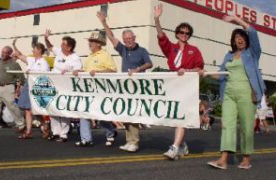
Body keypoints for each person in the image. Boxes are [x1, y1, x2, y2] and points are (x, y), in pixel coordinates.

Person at [207, 15, 265, 170]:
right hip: (229, 95)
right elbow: (221, 74)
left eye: (241, 37)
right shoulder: (229, 56)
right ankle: (223, 159)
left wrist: (236, 19)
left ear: (246, 40)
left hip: (247, 95)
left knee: (247, 127)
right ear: (232, 41)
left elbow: (253, 32)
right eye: (236, 37)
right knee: (227, 125)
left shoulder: (252, 53)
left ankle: (246, 159)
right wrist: (204, 73)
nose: (239, 39)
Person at [97, 11, 153, 152]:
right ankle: (129, 141)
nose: (128, 40)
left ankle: (134, 142)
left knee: (133, 113)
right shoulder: (123, 50)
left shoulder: (142, 50)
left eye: (130, 38)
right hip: (125, 87)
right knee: (126, 114)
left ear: (134, 37)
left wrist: (138, 69)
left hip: (137, 87)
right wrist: (104, 22)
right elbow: (111, 37)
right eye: (125, 38)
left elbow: (149, 64)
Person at [154, 4, 204, 159]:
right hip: (172, 85)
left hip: (188, 86)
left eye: (187, 33)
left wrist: (187, 71)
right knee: (175, 117)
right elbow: (161, 36)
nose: (184, 35)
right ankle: (182, 144)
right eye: (182, 32)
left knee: (181, 117)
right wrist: (156, 18)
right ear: (177, 33)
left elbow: (200, 69)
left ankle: (174, 147)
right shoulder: (171, 48)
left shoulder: (194, 50)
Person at [73, 31, 118, 147]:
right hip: (88, 90)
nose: (90, 43)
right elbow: (86, 71)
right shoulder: (89, 57)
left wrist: (98, 72)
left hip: (101, 90)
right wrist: (79, 71)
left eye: (92, 41)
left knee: (102, 116)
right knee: (84, 113)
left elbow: (113, 71)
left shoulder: (105, 55)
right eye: (90, 41)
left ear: (99, 44)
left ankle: (111, 133)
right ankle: (86, 139)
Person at [44, 30, 82, 142]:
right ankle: (55, 132)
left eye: (63, 44)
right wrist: (46, 38)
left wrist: (71, 71)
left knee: (63, 109)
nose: (61, 45)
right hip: (54, 84)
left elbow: (78, 70)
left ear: (69, 47)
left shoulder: (75, 57)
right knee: (53, 108)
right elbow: (50, 47)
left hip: (66, 86)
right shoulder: (59, 52)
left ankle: (64, 134)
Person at [13, 38, 50, 139]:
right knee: (27, 109)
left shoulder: (43, 62)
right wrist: (14, 45)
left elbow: (44, 76)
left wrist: (32, 72)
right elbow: (19, 55)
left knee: (34, 110)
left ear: (39, 50)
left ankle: (45, 124)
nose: (32, 50)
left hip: (37, 87)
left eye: (34, 49)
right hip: (27, 85)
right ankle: (28, 132)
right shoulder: (31, 59)